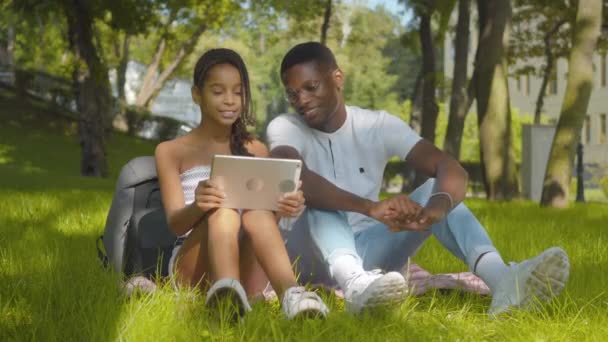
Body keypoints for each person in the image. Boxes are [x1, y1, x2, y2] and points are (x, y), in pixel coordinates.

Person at [266, 41, 570, 316]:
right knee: (318, 197)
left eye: (311, 87)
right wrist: (370, 208)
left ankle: (503, 281)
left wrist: (436, 210)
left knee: (433, 191)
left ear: (337, 78)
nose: (301, 100)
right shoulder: (284, 127)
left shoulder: (377, 125)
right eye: (293, 93)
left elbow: (450, 168)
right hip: (306, 256)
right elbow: (296, 175)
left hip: (367, 252)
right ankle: (355, 286)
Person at [155, 48, 328, 319]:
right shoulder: (170, 151)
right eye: (218, 91)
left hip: (248, 267)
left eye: (238, 92)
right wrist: (199, 205)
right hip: (194, 267)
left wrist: (286, 206)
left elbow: (268, 224)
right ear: (196, 95)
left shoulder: (256, 149)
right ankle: (226, 290)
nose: (230, 101)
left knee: (258, 212)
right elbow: (176, 224)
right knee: (223, 209)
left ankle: (292, 296)